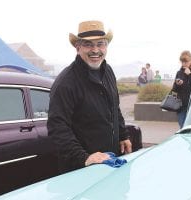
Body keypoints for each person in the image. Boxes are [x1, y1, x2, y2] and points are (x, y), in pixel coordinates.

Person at [47, 20, 132, 173]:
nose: (95, 50)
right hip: (82, 169)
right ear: (77, 47)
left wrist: (123, 135)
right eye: (88, 44)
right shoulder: (66, 82)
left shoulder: (108, 71)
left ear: (106, 46)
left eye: (100, 44)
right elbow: (57, 128)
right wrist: (84, 158)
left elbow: (114, 107)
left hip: (110, 162)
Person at [172, 50, 191, 128]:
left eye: (186, 62)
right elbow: (174, 90)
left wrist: (190, 75)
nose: (184, 64)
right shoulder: (179, 73)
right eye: (182, 62)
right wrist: (177, 84)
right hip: (181, 106)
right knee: (183, 127)